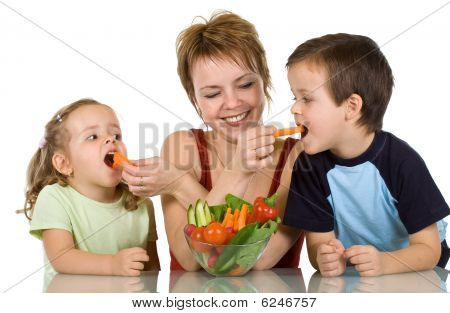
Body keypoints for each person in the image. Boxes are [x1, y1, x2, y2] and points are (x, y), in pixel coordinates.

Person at [121, 11, 305, 271]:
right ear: (195, 99)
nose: (232, 103)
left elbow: (257, 260)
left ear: (264, 80)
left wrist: (181, 184)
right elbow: (191, 260)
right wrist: (236, 172)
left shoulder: (298, 156)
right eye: (213, 93)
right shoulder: (181, 147)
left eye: (245, 85)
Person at [283, 33, 450, 277]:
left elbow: (429, 250)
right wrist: (325, 258)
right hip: (361, 277)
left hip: (419, 273)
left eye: (307, 98)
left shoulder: (402, 162)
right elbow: (318, 245)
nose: (294, 108)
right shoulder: (309, 166)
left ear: (351, 106)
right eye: (294, 97)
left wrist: (384, 263)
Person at [25, 99, 160, 277]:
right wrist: (112, 265)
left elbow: (152, 270)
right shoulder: (54, 198)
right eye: (92, 137)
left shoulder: (142, 204)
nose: (111, 139)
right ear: (64, 164)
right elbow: (61, 258)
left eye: (117, 136)